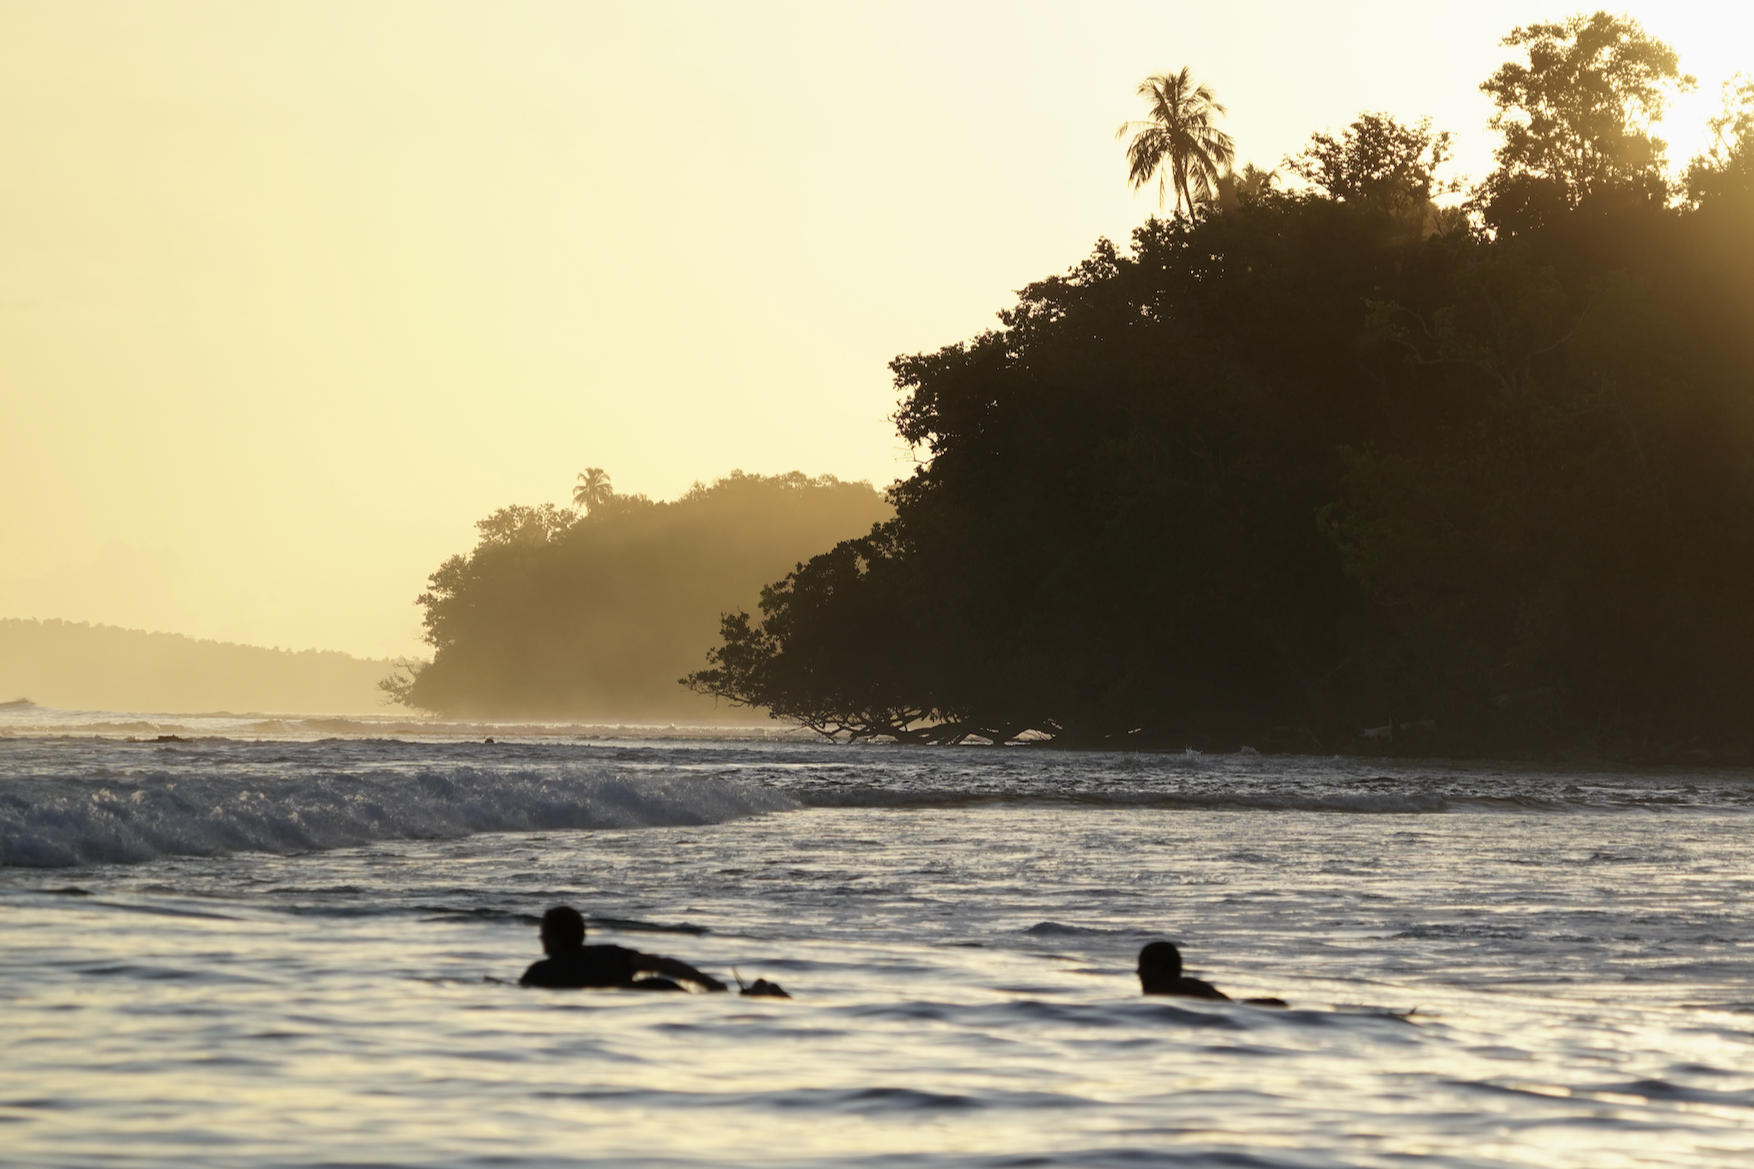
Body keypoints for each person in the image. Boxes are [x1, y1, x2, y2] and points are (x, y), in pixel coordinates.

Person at [520, 905, 728, 992]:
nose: (541, 940)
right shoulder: (610, 954)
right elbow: (660, 964)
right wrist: (712, 984)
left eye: (543, 935)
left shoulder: (540, 972)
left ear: (554, 939)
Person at [1136, 941, 1229, 999]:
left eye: (1141, 966)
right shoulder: (1195, 984)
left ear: (1156, 969)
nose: (1138, 972)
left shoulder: (1159, 995)